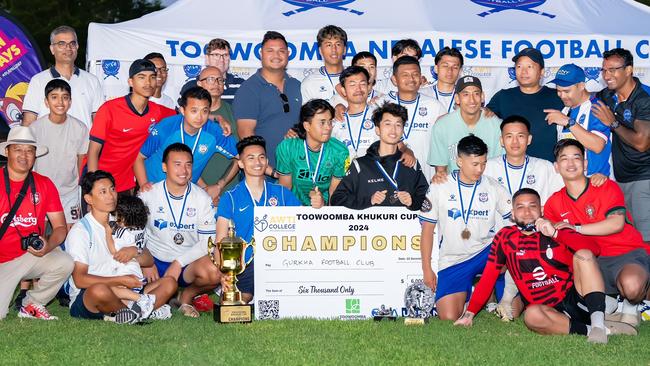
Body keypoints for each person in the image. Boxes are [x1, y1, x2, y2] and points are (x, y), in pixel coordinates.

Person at [454, 188, 637, 343]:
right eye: (520, 207)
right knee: (531, 316)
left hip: (574, 298)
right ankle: (595, 331)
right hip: (546, 309)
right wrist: (469, 313)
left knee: (583, 255)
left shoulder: (554, 229)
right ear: (513, 212)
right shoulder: (504, 237)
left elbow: (593, 250)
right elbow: (488, 276)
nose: (526, 212)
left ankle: (598, 323)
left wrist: (556, 233)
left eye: (532, 206)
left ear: (541, 209)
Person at [544, 139, 650, 329]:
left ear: (585, 164)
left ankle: (630, 303)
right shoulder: (554, 203)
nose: (570, 163)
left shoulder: (605, 186)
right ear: (556, 167)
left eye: (576, 158)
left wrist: (575, 228)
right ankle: (609, 302)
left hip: (625, 254)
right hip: (592, 262)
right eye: (564, 159)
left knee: (632, 287)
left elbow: (616, 223)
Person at [419, 135, 512, 321]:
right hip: (454, 259)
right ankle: (475, 292)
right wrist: (427, 269)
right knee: (448, 316)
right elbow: (427, 230)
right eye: (475, 164)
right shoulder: (439, 186)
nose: (480, 169)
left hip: (486, 252)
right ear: (459, 161)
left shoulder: (493, 187)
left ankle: (499, 291)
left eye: (483, 163)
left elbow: (517, 219)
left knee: (509, 250)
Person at [66, 170, 177, 323]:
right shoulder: (81, 231)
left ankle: (129, 313)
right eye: (103, 192)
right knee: (99, 291)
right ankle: (140, 311)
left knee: (169, 282)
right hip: (94, 294)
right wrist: (120, 280)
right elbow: (80, 280)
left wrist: (135, 251)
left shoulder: (122, 220)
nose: (111, 196)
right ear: (88, 199)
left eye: (112, 189)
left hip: (128, 290)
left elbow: (149, 260)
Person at [138, 143, 221, 318]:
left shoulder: (202, 198)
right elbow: (134, 234)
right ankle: (160, 296)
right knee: (124, 268)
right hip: (153, 261)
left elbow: (207, 241)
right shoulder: (147, 195)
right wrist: (145, 261)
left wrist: (179, 262)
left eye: (188, 164)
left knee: (214, 272)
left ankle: (186, 297)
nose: (184, 170)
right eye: (177, 164)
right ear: (164, 167)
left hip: (186, 264)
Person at [216, 136, 301, 303]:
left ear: (267, 161)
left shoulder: (282, 193)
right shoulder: (230, 197)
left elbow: (304, 224)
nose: (257, 162)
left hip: (279, 261)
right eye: (251, 158)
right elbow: (220, 240)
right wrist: (224, 274)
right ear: (240, 163)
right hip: (245, 263)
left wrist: (317, 205)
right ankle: (241, 294)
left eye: (261, 157)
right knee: (235, 301)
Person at [0, 126, 73, 320]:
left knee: (64, 262)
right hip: (2, 261)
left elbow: (60, 228)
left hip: (30, 256)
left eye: (29, 151)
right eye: (18, 150)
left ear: (35, 155)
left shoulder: (44, 184)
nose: (24, 156)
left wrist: (48, 245)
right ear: (7, 152)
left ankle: (31, 304)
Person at [87, 59, 176, 195]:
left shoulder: (158, 111)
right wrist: (94, 188)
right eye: (141, 77)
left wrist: (214, 117)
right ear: (130, 82)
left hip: (126, 186)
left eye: (152, 77)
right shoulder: (109, 109)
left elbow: (186, 116)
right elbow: (93, 152)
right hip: (100, 181)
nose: (147, 83)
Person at [135, 86, 238, 203]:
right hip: (154, 190)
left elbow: (241, 157)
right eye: (194, 111)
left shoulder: (214, 133)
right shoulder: (166, 127)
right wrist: (143, 184)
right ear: (183, 110)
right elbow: (139, 157)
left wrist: (219, 185)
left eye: (204, 111)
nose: (199, 117)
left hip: (185, 196)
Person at [593, 48, 650, 244]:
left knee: (645, 239)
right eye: (604, 70)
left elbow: (642, 143)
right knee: (631, 238)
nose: (607, 75)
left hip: (644, 178)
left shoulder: (644, 99)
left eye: (613, 70)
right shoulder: (609, 95)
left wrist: (613, 123)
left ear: (629, 70)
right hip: (622, 179)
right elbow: (584, 97)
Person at [330, 102, 428, 210]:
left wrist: (412, 201)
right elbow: (337, 199)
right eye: (388, 124)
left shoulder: (411, 164)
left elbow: (427, 200)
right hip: (368, 226)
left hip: (404, 227)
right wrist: (369, 201)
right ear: (377, 130)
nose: (393, 130)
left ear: (402, 131)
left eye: (398, 125)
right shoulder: (359, 165)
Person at [234, 31, 302, 169]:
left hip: (297, 170)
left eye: (281, 51)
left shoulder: (297, 85)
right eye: (270, 50)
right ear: (261, 54)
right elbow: (246, 135)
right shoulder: (249, 89)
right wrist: (270, 171)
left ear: (288, 54)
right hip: (264, 174)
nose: (276, 55)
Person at [486, 47, 564, 162]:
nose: (524, 71)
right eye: (519, 66)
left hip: (549, 171)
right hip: (513, 170)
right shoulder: (503, 97)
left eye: (529, 66)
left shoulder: (558, 96)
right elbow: (482, 121)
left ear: (542, 71)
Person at [30, 79, 88, 228]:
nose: (60, 101)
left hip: (69, 191)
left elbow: (81, 159)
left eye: (65, 97)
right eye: (54, 97)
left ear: (70, 101)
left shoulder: (80, 128)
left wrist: (77, 184)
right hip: (40, 190)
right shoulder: (34, 128)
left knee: (71, 235)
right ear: (46, 102)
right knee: (38, 233)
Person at [22, 25, 103, 128]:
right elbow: (28, 121)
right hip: (47, 143)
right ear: (52, 49)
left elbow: (99, 122)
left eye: (72, 43)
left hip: (84, 143)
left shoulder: (92, 81)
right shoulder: (38, 80)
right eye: (61, 44)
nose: (68, 48)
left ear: (77, 47)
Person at [378, 56, 445, 181]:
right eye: (405, 75)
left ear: (420, 78)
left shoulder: (435, 106)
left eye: (415, 74)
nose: (411, 79)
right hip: (388, 177)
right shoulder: (381, 103)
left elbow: (442, 143)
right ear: (394, 79)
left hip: (425, 177)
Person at [428, 76, 502, 183]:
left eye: (476, 94)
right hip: (455, 189)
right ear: (457, 98)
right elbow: (441, 171)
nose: (472, 99)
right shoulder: (442, 126)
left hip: (488, 186)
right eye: (466, 94)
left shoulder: (496, 125)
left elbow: (499, 166)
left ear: (482, 97)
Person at [276, 99, 348, 207]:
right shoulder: (288, 147)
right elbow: (285, 189)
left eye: (330, 122)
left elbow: (334, 193)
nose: (328, 127)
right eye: (322, 122)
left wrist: (325, 210)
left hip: (324, 205)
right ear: (307, 126)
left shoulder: (340, 151)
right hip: (294, 204)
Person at [544, 63, 612, 177]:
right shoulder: (565, 110)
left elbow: (598, 146)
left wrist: (568, 122)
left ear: (581, 86)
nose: (562, 95)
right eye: (558, 91)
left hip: (595, 181)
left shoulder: (597, 107)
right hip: (571, 183)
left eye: (566, 91)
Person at [484, 115, 563, 204]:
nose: (515, 142)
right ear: (502, 141)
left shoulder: (545, 168)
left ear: (529, 139)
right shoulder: (487, 167)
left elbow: (559, 199)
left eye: (520, 136)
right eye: (509, 136)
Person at [196, 66, 240, 190]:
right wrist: (205, 188)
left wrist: (219, 186)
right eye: (210, 79)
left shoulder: (235, 113)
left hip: (229, 188)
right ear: (199, 84)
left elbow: (241, 154)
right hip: (196, 189)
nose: (216, 83)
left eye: (220, 80)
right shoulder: (190, 116)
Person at [331, 66, 378, 159]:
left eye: (362, 84)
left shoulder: (380, 115)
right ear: (343, 91)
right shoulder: (335, 121)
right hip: (344, 172)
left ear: (369, 88)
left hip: (375, 171)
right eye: (352, 85)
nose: (358, 89)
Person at [301, 25, 347, 102]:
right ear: (320, 51)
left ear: (344, 49)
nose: (334, 49)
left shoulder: (356, 77)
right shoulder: (309, 82)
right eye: (329, 45)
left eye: (338, 44)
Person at [421, 47, 464, 115]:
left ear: (460, 71)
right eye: (445, 66)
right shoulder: (422, 94)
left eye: (455, 67)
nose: (450, 70)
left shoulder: (466, 97)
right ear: (436, 69)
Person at [204, 38, 245, 104]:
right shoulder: (192, 86)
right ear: (207, 58)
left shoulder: (242, 85)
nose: (221, 60)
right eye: (216, 55)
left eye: (225, 55)